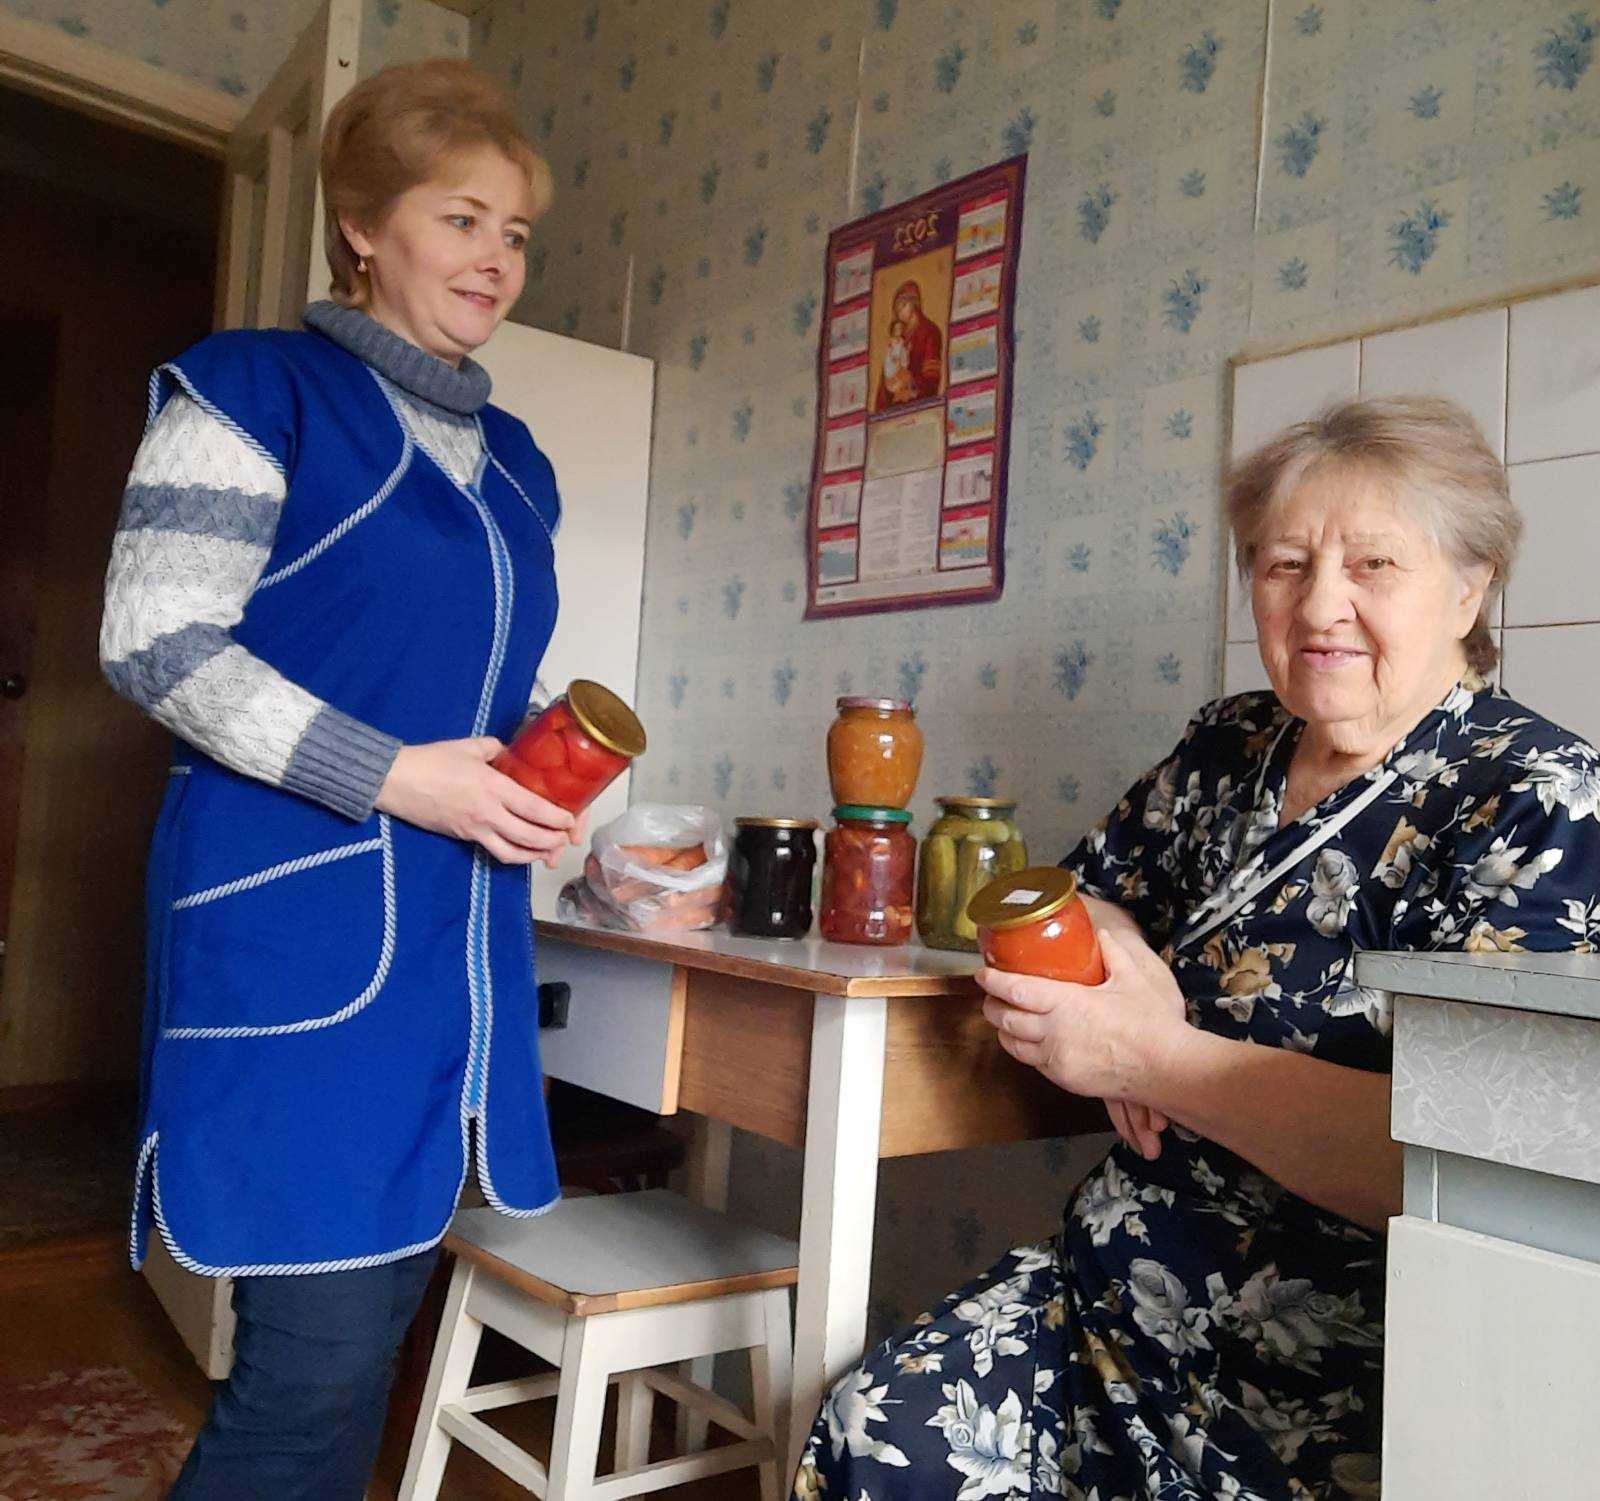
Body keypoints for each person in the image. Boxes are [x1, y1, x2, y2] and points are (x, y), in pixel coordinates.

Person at [793, 396, 1600, 1500]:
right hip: (1113, 1293)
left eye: (1373, 564)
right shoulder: (1231, 742)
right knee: (879, 1428)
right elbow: (1078, 892)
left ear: (1470, 586)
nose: (1319, 604)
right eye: (1283, 565)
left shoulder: (1538, 800)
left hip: (1337, 1370)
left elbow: (1470, 1167)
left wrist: (1148, 1059)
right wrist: (1126, 966)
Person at [99, 59, 576, 1500]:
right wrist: (399, 778)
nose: (495, 259)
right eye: (461, 219)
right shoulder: (257, 389)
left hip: (455, 949)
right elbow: (157, 640)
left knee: (356, 1363)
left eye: (514, 233)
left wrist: (544, 764)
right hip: (301, 933)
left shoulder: (517, 465)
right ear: (363, 226)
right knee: (304, 1390)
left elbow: (455, 682)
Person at [873, 278, 943, 410]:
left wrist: (909, 380)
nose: (899, 312)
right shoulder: (898, 337)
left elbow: (932, 379)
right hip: (896, 406)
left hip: (921, 406)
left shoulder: (929, 331)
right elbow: (886, 378)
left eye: (903, 306)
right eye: (897, 309)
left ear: (913, 304)